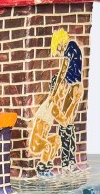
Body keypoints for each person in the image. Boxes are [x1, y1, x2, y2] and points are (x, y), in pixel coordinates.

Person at [28, 29, 84, 171]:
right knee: (67, 125)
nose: (59, 51)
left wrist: (56, 90)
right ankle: (68, 161)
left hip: (73, 87)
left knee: (65, 125)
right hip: (75, 87)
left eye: (58, 48)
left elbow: (63, 71)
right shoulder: (74, 48)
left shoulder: (70, 48)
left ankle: (67, 162)